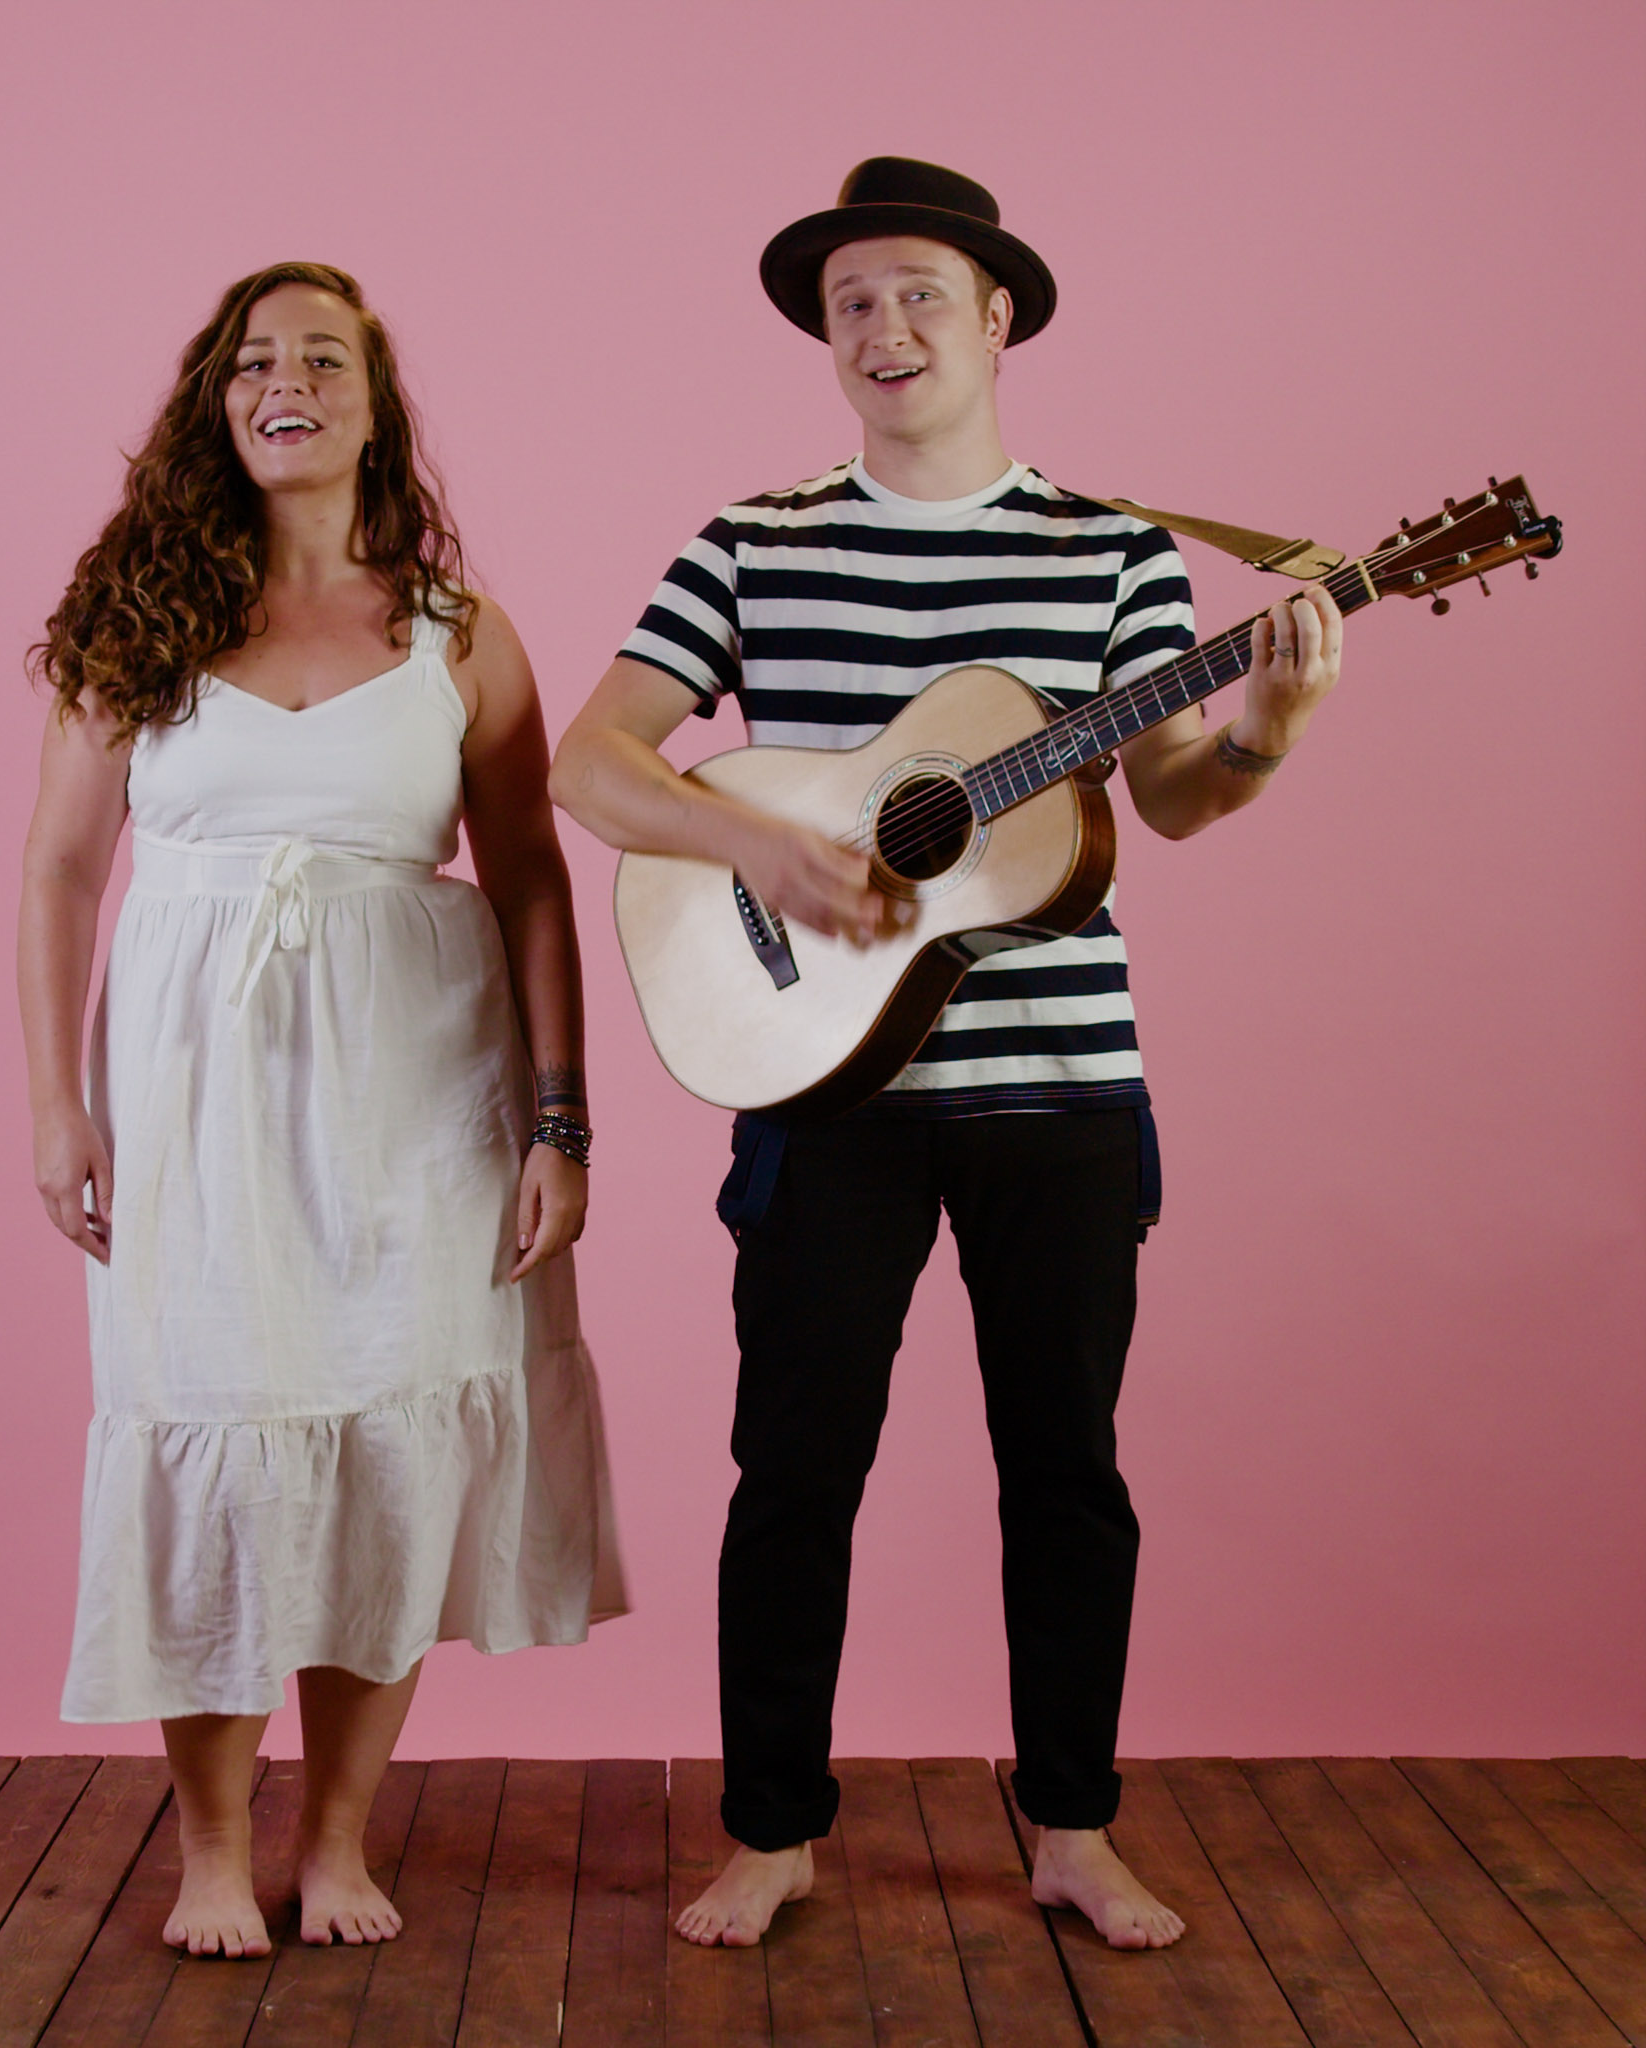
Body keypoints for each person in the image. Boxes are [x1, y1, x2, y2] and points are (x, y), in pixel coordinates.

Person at [550, 158, 1340, 1950]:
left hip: (1063, 1089)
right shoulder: (754, 540)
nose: (883, 327)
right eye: (852, 304)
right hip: (822, 1095)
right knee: (794, 1471)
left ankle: (1073, 1827)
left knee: (1067, 1473)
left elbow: (1171, 802)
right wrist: (755, 846)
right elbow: (592, 762)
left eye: (918, 293)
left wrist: (1267, 733)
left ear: (995, 317)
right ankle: (769, 1833)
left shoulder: (1115, 551)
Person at [19, 263, 624, 1958]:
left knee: (386, 1443)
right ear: (217, 407)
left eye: (323, 358)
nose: (285, 382)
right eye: (253, 362)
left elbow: (532, 879)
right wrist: (57, 1106)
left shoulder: (457, 633)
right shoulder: (132, 621)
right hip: (191, 1101)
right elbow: (61, 875)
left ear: (375, 404)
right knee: (210, 1438)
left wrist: (560, 1124)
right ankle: (215, 1848)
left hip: (421, 1094)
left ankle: (339, 1839)